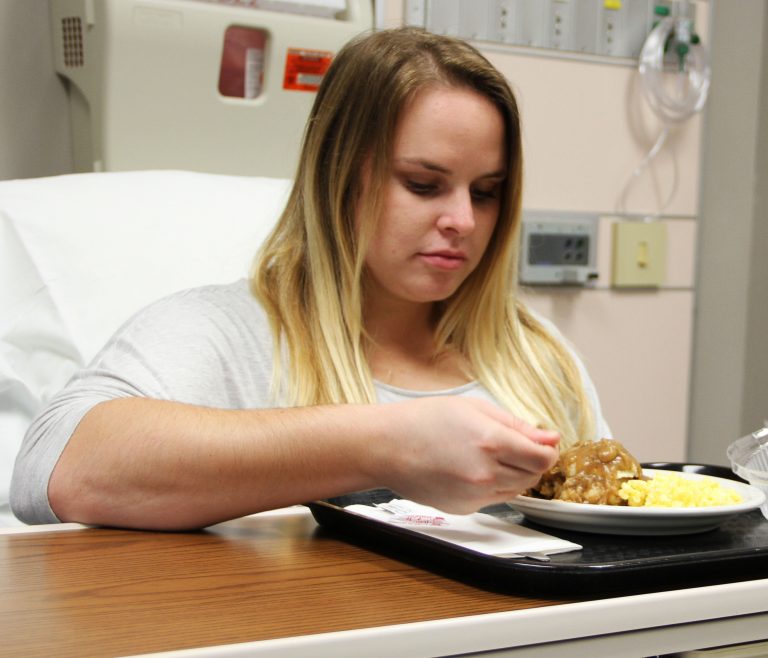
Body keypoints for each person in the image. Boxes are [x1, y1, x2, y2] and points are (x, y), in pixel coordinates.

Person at [10, 27, 609, 530]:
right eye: (423, 185)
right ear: (340, 176)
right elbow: (53, 470)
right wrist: (387, 445)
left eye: (486, 193)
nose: (463, 221)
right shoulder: (229, 337)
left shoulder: (535, 360)